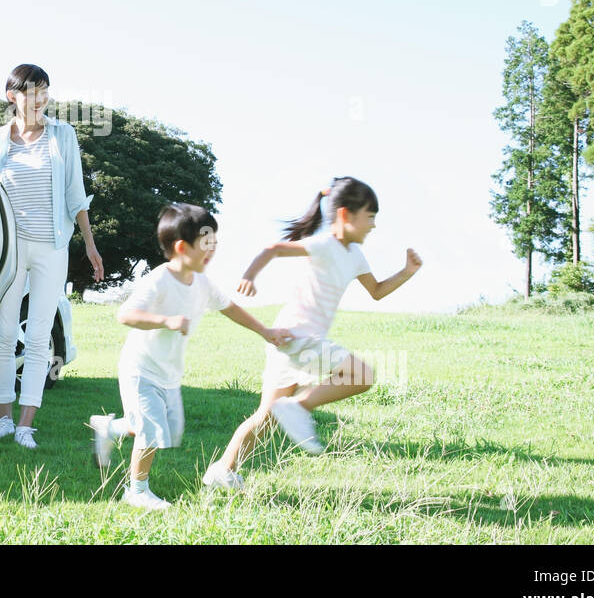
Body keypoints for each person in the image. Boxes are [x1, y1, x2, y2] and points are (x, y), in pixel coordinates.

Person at [205, 176, 423, 489]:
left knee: (265, 417)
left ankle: (222, 471)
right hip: (298, 335)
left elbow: (376, 291)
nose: (373, 225)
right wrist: (249, 275)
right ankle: (299, 406)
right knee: (362, 376)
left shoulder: (355, 256)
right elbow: (273, 249)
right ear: (346, 215)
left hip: (290, 341)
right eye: (370, 217)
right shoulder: (323, 245)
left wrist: (406, 272)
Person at [89, 204, 290, 510]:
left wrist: (265, 331)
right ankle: (137, 491)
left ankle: (108, 429)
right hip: (141, 368)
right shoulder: (159, 280)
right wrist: (165, 321)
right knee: (152, 431)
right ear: (182, 247)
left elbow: (230, 308)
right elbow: (125, 314)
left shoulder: (203, 283)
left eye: (214, 245)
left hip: (168, 373)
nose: (212, 252)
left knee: (165, 430)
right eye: (205, 246)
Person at [0, 64, 104, 450]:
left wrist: (91, 246)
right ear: (13, 96)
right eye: (33, 92)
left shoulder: (63, 135)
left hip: (51, 247)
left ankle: (26, 425)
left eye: (45, 91)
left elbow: (75, 196)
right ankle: (2, 419)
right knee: (5, 332)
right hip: (10, 250)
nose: (41, 99)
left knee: (39, 335)